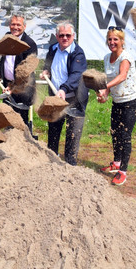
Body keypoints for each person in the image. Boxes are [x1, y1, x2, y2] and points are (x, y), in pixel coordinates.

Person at [97, 26, 136, 186]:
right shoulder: (106, 58)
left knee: (125, 136)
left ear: (122, 41)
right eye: (109, 39)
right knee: (114, 133)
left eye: (115, 39)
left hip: (131, 102)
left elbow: (122, 76)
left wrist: (105, 86)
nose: (112, 42)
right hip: (117, 101)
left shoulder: (125, 57)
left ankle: (122, 171)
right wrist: (105, 94)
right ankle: (116, 163)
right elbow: (109, 83)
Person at [40, 22, 88, 166]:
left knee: (72, 133)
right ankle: (52, 161)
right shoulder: (53, 49)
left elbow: (76, 74)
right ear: (57, 36)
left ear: (73, 36)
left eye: (68, 35)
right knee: (53, 130)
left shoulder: (78, 53)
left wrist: (64, 89)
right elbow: (48, 65)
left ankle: (70, 164)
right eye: (61, 35)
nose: (65, 38)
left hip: (74, 99)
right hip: (56, 99)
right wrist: (46, 71)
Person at [0, 14, 38, 128]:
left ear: (24, 27)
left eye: (18, 25)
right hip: (6, 86)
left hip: (23, 89)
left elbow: (26, 72)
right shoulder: (7, 37)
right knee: (8, 118)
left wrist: (13, 87)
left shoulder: (30, 44)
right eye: (13, 24)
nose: (15, 27)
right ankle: (9, 144)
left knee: (21, 122)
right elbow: (4, 59)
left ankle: (22, 144)